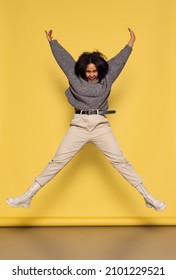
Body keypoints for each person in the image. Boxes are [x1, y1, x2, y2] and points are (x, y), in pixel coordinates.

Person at [6, 29, 166, 211]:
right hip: (79, 125)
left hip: (100, 125)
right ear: (83, 70)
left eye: (95, 71)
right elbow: (64, 59)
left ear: (100, 70)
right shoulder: (75, 78)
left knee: (121, 162)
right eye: (88, 71)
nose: (91, 74)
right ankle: (26, 197)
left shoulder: (107, 78)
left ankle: (148, 198)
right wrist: (52, 42)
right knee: (57, 162)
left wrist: (130, 44)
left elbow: (119, 61)